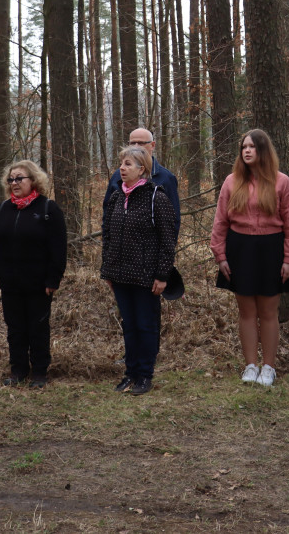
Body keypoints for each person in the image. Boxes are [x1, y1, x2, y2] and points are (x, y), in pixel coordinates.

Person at [211, 129, 289, 388]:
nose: (247, 151)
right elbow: (220, 222)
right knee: (246, 311)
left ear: (263, 151)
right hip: (240, 248)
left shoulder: (281, 182)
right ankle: (251, 365)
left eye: (252, 147)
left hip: (272, 248)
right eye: (244, 147)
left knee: (268, 311)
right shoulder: (231, 181)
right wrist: (220, 255)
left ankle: (269, 367)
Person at [101, 146, 178, 395]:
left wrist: (162, 275)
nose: (122, 168)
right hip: (120, 275)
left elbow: (167, 240)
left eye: (128, 164)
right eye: (121, 164)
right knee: (129, 325)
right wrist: (108, 271)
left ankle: (145, 375)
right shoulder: (116, 197)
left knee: (146, 326)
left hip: (146, 277)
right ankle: (130, 373)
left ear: (141, 169)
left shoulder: (157, 197)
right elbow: (108, 236)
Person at [0, 160, 67, 388]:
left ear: (34, 180)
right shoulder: (3, 209)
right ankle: (18, 370)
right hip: (10, 282)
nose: (14, 183)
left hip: (39, 283)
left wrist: (54, 278)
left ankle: (39, 372)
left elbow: (59, 249)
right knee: (15, 328)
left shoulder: (48, 209)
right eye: (11, 179)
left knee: (38, 327)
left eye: (19, 178)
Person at [103, 128, 180, 234]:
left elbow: (173, 222)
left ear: (152, 145)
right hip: (118, 247)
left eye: (140, 143)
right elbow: (107, 216)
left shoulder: (166, 178)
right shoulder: (118, 176)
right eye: (132, 143)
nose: (136, 147)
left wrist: (165, 250)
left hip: (151, 248)